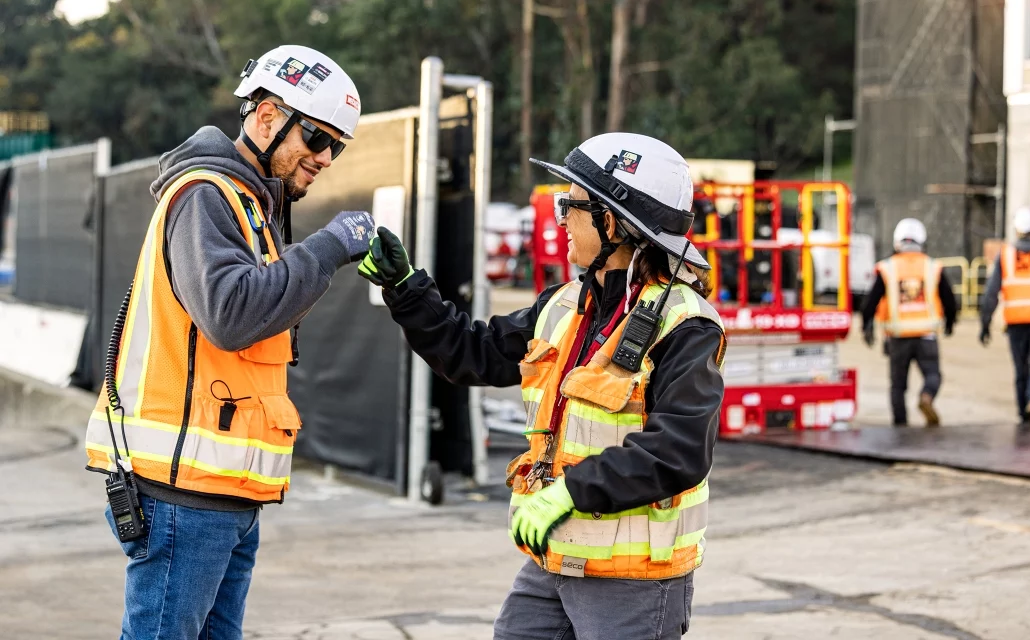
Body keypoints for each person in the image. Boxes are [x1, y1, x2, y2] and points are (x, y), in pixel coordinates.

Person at [359, 133, 726, 639]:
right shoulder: (564, 305)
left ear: (612, 222)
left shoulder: (686, 325)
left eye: (571, 205)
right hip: (555, 559)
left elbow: (679, 451)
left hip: (633, 581)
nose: (561, 219)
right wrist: (406, 291)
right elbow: (474, 353)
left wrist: (569, 492)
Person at [84, 44, 375, 640]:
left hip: (224, 494)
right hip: (182, 496)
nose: (325, 158)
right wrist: (327, 248)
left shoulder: (249, 204)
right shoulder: (205, 195)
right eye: (317, 138)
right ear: (267, 117)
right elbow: (231, 315)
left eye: (337, 147)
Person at [861, 218, 957, 427]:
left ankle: (900, 426)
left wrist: (866, 326)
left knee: (898, 386)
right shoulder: (932, 266)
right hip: (926, 335)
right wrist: (950, 322)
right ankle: (926, 396)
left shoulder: (887, 268)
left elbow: (871, 301)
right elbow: (949, 299)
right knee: (933, 375)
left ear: (897, 242)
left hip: (897, 337)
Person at [980, 206, 1030, 424]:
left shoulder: (1006, 255)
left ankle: (1023, 412)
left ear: (1017, 229)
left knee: (1020, 368)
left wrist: (985, 323)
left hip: (1015, 322)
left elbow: (991, 293)